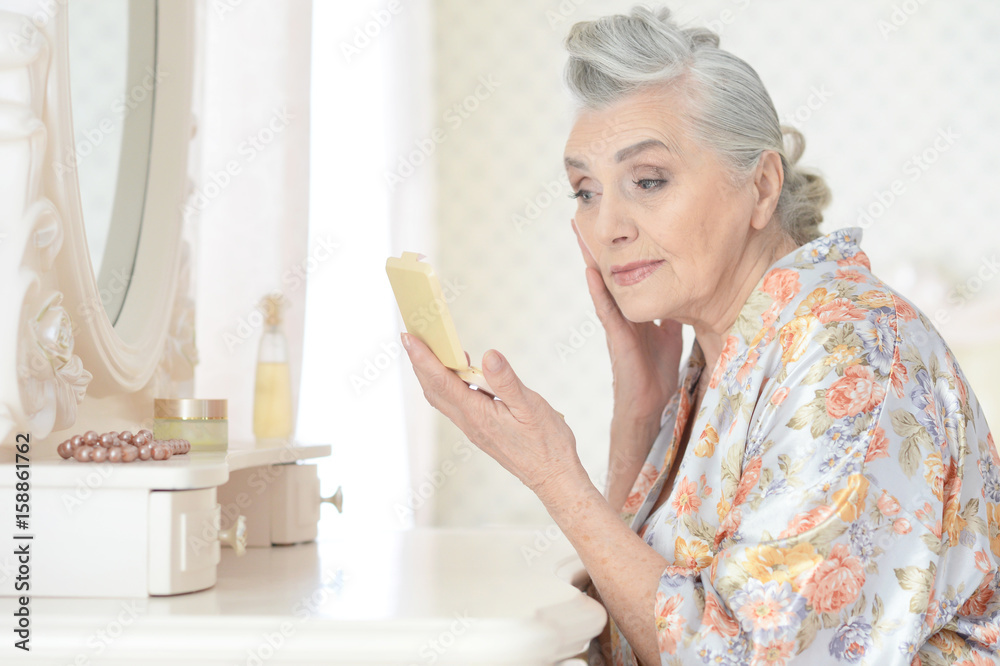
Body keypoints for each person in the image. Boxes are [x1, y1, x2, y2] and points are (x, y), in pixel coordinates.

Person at [401, 6, 999, 665]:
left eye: (648, 181)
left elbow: (741, 657)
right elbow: (630, 631)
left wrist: (553, 474)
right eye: (584, 191)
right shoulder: (719, 359)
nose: (608, 227)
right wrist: (637, 417)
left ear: (762, 186)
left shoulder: (847, 349)